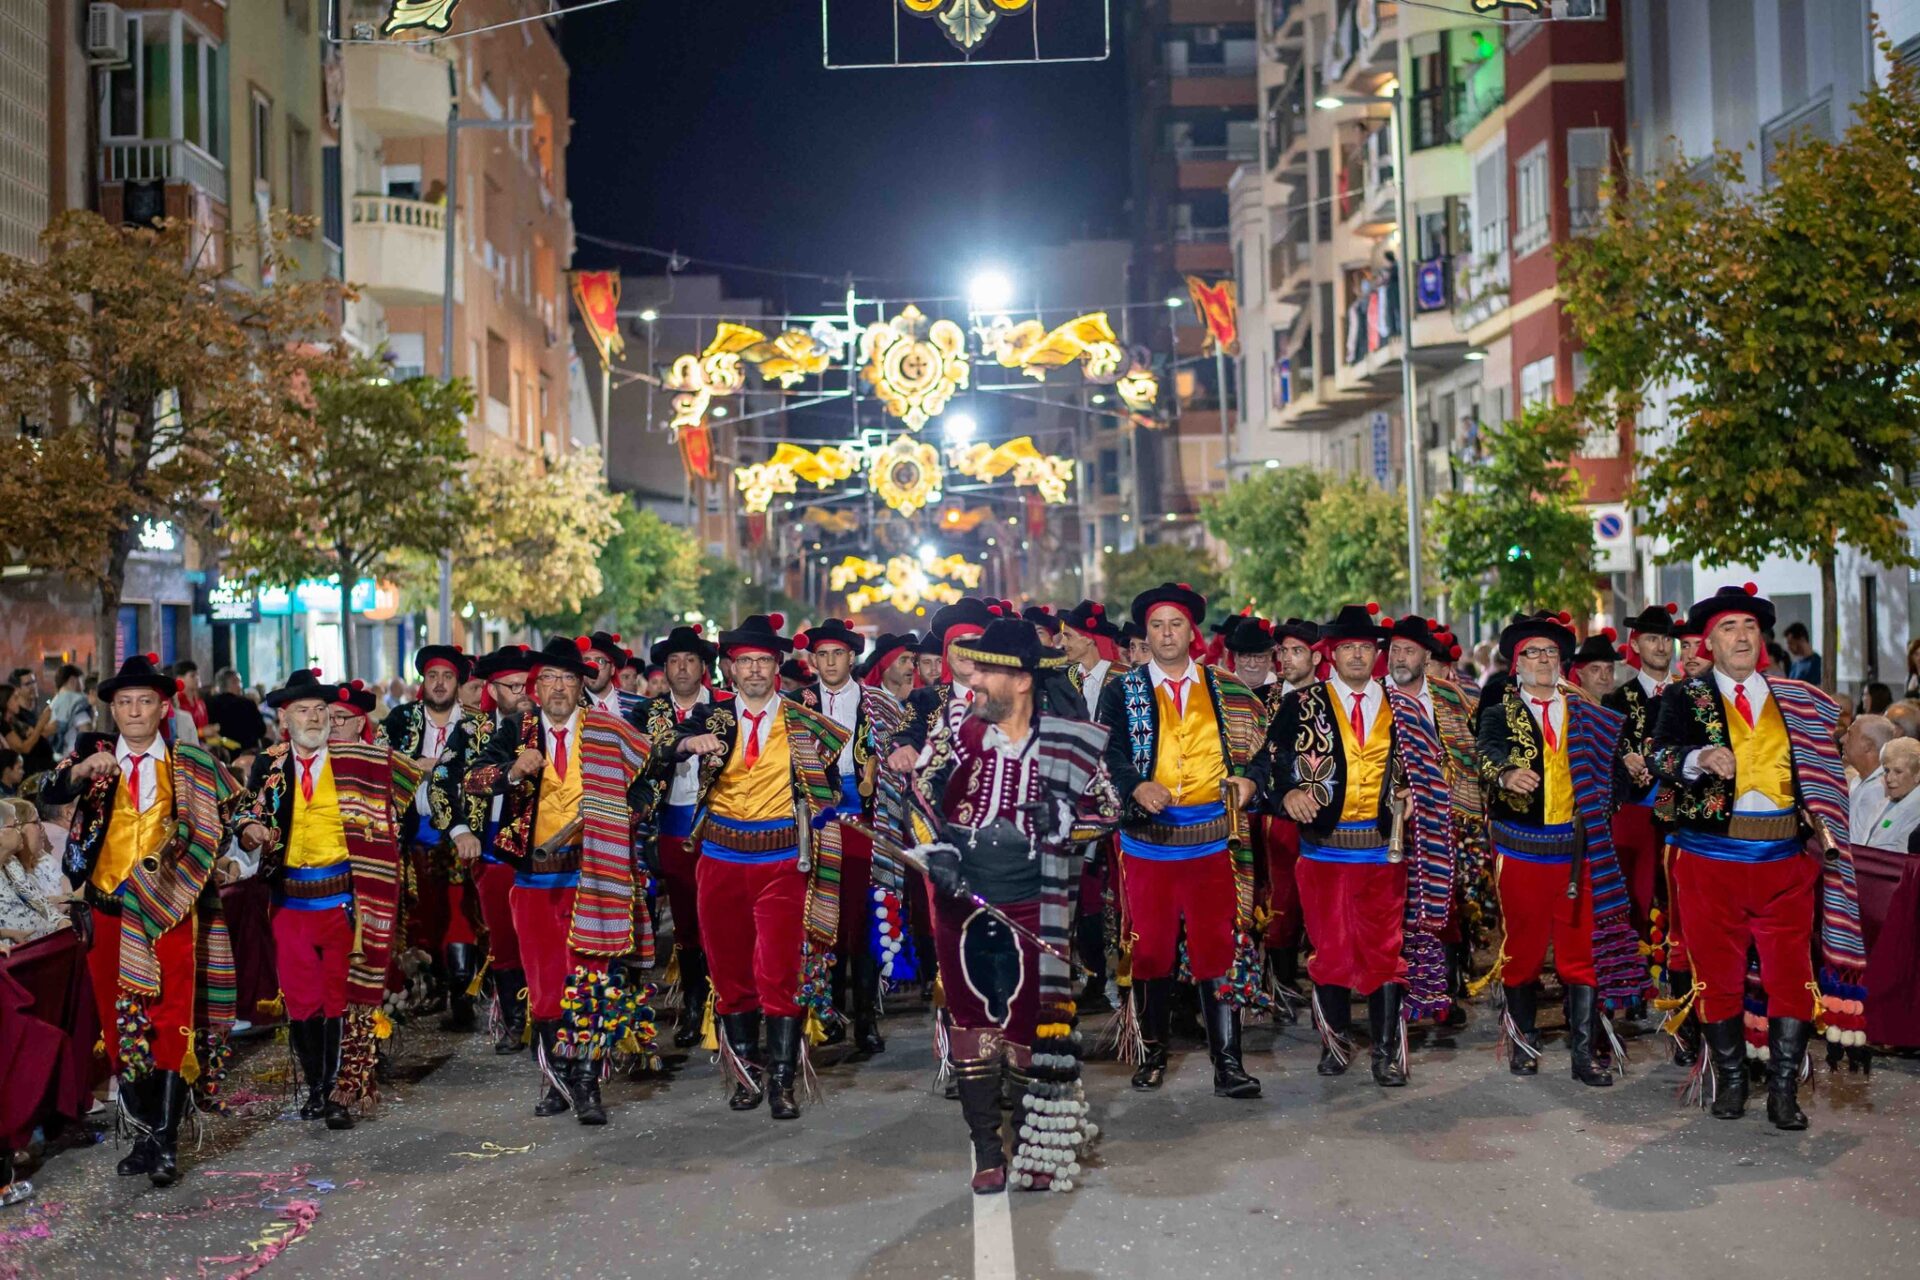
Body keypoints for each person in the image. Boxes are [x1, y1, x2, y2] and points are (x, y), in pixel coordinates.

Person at [907, 618, 1119, 1194]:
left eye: (987, 671)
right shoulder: (958, 728)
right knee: (972, 1020)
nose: (974, 680)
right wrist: (937, 851)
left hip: (1036, 899)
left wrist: (1066, 819)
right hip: (963, 900)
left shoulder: (1068, 741)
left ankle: (1030, 1141)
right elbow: (920, 792)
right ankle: (985, 1149)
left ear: (1022, 680)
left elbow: (1108, 808)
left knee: (1029, 1023)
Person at [1649, 584, 1864, 1131]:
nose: (1741, 636)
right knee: (1717, 977)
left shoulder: (1796, 699)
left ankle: (1784, 1091)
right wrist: (1699, 756)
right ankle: (1732, 1079)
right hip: (1709, 861)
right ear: (1709, 642)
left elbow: (1823, 769)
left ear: (1761, 638)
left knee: (1791, 977)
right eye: (1729, 627)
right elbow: (1659, 757)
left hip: (1783, 860)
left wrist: (1820, 808)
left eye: (1749, 626)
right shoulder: (1685, 697)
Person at [41, 653, 235, 1187]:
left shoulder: (189, 763)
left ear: (163, 707)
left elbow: (226, 816)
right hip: (107, 912)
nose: (133, 711)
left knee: (170, 1021)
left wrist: (244, 836)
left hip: (169, 912)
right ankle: (145, 1137)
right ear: (112, 709)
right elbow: (49, 790)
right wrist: (80, 772)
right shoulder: (93, 754)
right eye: (124, 702)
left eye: (144, 702)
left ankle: (166, 1141)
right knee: (118, 1023)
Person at [665, 614, 851, 1122]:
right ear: (729, 668)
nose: (753, 670)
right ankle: (746, 1075)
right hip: (719, 861)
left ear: (776, 667)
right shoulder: (712, 718)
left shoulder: (804, 721)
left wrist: (825, 809)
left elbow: (830, 783)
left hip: (782, 862)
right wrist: (687, 744)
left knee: (779, 970)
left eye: (763, 661)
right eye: (745, 661)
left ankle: (783, 1082)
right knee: (729, 971)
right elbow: (665, 746)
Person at [463, 637, 655, 1126]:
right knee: (545, 985)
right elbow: (472, 779)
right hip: (534, 881)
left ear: (580, 685)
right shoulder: (516, 731)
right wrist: (511, 771)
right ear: (535, 686)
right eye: (549, 678)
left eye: (568, 679)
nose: (559, 688)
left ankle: (588, 1085)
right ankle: (555, 1078)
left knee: (590, 980)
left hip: (595, 875)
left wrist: (623, 814)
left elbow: (648, 780)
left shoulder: (608, 730)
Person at [234, 670, 425, 1132]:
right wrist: (249, 830)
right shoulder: (270, 764)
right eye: (303, 710)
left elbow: (407, 792)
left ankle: (343, 1090)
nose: (315, 718)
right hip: (289, 902)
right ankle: (318, 1088)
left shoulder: (358, 761)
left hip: (344, 901)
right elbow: (245, 809)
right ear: (285, 719)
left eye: (321, 710)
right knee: (302, 1002)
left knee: (343, 997)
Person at [1097, 582, 1267, 1099]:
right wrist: (1135, 785)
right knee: (1151, 953)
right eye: (1157, 626)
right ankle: (1152, 1055)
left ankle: (1228, 1064)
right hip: (1148, 844)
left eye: (1175, 625)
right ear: (1145, 635)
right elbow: (1107, 751)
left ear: (1191, 632)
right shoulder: (1122, 690)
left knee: (1218, 949)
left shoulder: (1227, 688)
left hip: (1214, 841)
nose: (1167, 634)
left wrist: (1250, 782)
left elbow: (1265, 751)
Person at [1475, 612, 1639, 1087]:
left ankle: (1584, 1053)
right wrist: (1506, 773)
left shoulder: (1588, 714)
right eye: (1533, 653)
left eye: (1551, 652)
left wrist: (1611, 795)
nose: (1544, 660)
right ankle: (1524, 1040)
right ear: (1517, 664)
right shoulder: (1499, 714)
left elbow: (1615, 775)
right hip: (1521, 853)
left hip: (1577, 853)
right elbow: (1484, 753)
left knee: (1579, 953)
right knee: (1523, 951)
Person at [794, 619, 904, 1056]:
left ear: (852, 657)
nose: (830, 662)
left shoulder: (878, 703)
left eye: (837, 654)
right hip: (815, 825)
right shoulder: (796, 704)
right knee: (823, 920)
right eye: (822, 655)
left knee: (864, 919)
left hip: (866, 823)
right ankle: (829, 1013)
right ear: (812, 660)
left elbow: (895, 764)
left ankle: (866, 1018)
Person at [429, 645, 536, 1055]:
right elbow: (441, 781)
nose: (523, 694)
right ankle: (513, 1019)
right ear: (492, 690)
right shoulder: (472, 730)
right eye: (513, 686)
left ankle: (549, 1017)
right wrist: (459, 831)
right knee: (503, 938)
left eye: (528, 685)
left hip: (541, 849)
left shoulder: (546, 726)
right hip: (490, 848)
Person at [1381, 615, 1483, 1028]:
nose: (1399, 658)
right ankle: (1397, 994)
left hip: (1443, 818)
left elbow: (1469, 753)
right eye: (1394, 650)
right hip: (1388, 823)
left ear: (1426, 657)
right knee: (1394, 910)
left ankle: (1441, 992)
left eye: (1408, 651)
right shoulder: (1377, 698)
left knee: (1444, 910)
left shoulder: (1451, 699)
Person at [634, 626, 730, 1049]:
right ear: (665, 669)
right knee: (687, 920)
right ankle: (695, 1006)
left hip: (722, 819)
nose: (683, 668)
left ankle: (726, 1004)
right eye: (674, 661)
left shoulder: (726, 706)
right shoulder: (648, 713)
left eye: (690, 660)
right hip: (672, 822)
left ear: (704, 667)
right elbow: (635, 760)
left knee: (722, 915)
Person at [382, 645, 483, 1031]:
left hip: (461, 831)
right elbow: (379, 762)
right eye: (433, 676)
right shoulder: (399, 719)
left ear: (458, 683)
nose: (440, 684)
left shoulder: (476, 725)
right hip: (413, 832)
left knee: (461, 910)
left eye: (448, 677)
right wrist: (413, 766)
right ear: (423, 681)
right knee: (424, 913)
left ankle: (461, 992)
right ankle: (435, 982)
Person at [1605, 605, 1682, 1006]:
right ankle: (1633, 982)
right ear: (1636, 645)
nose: (1661, 647)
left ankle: (1680, 977)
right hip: (1635, 808)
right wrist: (1624, 759)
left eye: (1667, 639)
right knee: (1633, 894)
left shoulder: (1691, 694)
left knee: (1679, 892)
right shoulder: (1619, 699)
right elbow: (1605, 753)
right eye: (1653, 639)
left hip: (1679, 806)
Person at [0, 798, 69, 946]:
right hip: (19, 953)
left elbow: (40, 902)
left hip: (47, 942)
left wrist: (60, 921)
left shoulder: (11, 863)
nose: (19, 831)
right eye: (14, 826)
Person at [2, 680, 54, 778]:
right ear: (6, 702)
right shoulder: (3, 725)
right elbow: (24, 748)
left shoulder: (17, 720)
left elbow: (33, 735)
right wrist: (41, 723)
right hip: (28, 772)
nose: (18, 702)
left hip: (41, 765)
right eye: (15, 698)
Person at [205, 668, 265, 753]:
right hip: (247, 754)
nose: (241, 686)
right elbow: (261, 730)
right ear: (234, 682)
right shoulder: (248, 704)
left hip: (220, 754)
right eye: (239, 682)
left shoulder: (208, 704)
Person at [47, 664, 92, 759]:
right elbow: (86, 731)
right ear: (72, 680)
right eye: (81, 680)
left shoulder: (53, 704)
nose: (83, 687)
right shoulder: (77, 701)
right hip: (75, 757)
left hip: (57, 758)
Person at [1569, 631, 1620, 698]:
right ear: (1580, 674)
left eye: (1609, 670)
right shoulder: (1569, 704)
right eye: (1595, 670)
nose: (1604, 677)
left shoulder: (1623, 703)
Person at [171, 661, 208, 734]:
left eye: (197, 675)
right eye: (192, 676)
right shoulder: (176, 702)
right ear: (180, 678)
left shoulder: (200, 703)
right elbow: (179, 732)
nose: (197, 678)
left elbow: (204, 726)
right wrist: (202, 732)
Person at [1782, 622, 1822, 686]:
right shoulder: (1795, 664)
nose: (1789, 647)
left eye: (1791, 643)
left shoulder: (1817, 662)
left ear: (1802, 639)